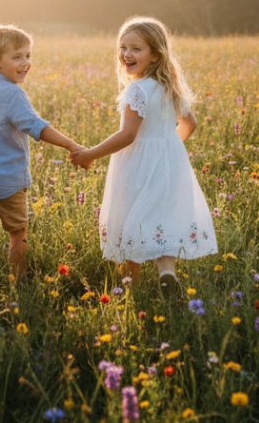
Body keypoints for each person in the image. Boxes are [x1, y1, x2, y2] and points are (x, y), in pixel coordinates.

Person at [71, 16, 217, 293]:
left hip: (137, 164)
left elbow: (128, 135)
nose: (127, 54)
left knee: (132, 218)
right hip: (170, 163)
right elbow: (190, 124)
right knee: (163, 216)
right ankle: (167, 271)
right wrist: (168, 148)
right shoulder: (169, 86)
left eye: (136, 48)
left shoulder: (137, 90)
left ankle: (131, 286)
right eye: (123, 47)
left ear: (154, 55)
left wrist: (90, 153)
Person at [0, 24, 83, 298]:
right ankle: (17, 288)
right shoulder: (13, 93)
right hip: (7, 184)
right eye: (17, 57)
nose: (25, 63)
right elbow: (36, 127)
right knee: (18, 235)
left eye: (27, 55)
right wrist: (70, 145)